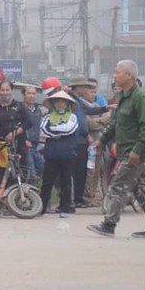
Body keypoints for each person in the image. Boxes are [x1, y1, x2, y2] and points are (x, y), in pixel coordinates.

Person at [88, 60, 145, 238]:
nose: (115, 76)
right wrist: (102, 140)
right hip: (125, 151)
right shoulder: (123, 97)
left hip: (134, 153)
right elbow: (116, 123)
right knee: (142, 189)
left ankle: (109, 224)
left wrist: (137, 151)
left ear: (129, 75)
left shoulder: (141, 98)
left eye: (118, 72)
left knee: (117, 186)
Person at [39, 91, 79, 217]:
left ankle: (65, 207)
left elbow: (69, 129)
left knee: (65, 182)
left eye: (62, 101)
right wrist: (58, 130)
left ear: (67, 103)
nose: (59, 104)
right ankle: (42, 207)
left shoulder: (72, 117)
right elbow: (44, 131)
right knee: (47, 182)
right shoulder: (47, 117)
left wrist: (54, 129)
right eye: (56, 101)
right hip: (51, 154)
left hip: (67, 154)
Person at [0, 80, 32, 189]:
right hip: (1, 147)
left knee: (20, 172)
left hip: (18, 145)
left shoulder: (20, 106)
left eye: (7, 90)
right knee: (0, 173)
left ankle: (20, 196)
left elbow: (29, 122)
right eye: (2, 90)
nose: (5, 92)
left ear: (12, 91)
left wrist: (16, 132)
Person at [81, 80, 112, 207]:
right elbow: (91, 124)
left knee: (100, 168)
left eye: (94, 92)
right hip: (90, 139)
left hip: (100, 138)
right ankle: (88, 196)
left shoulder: (96, 105)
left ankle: (95, 195)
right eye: (90, 92)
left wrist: (98, 119)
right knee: (91, 170)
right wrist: (101, 119)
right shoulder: (82, 106)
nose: (93, 94)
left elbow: (109, 117)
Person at [66, 76, 93, 208]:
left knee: (81, 170)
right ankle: (75, 198)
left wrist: (106, 108)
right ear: (77, 88)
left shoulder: (79, 101)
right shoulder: (70, 101)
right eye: (84, 87)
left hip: (81, 140)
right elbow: (78, 122)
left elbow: (90, 110)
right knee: (76, 171)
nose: (86, 89)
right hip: (75, 141)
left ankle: (78, 198)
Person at [21, 84, 46, 180]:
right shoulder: (19, 109)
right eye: (29, 93)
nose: (31, 96)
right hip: (25, 146)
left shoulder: (38, 110)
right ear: (24, 95)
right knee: (30, 173)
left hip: (36, 146)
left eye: (33, 94)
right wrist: (24, 140)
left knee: (43, 168)